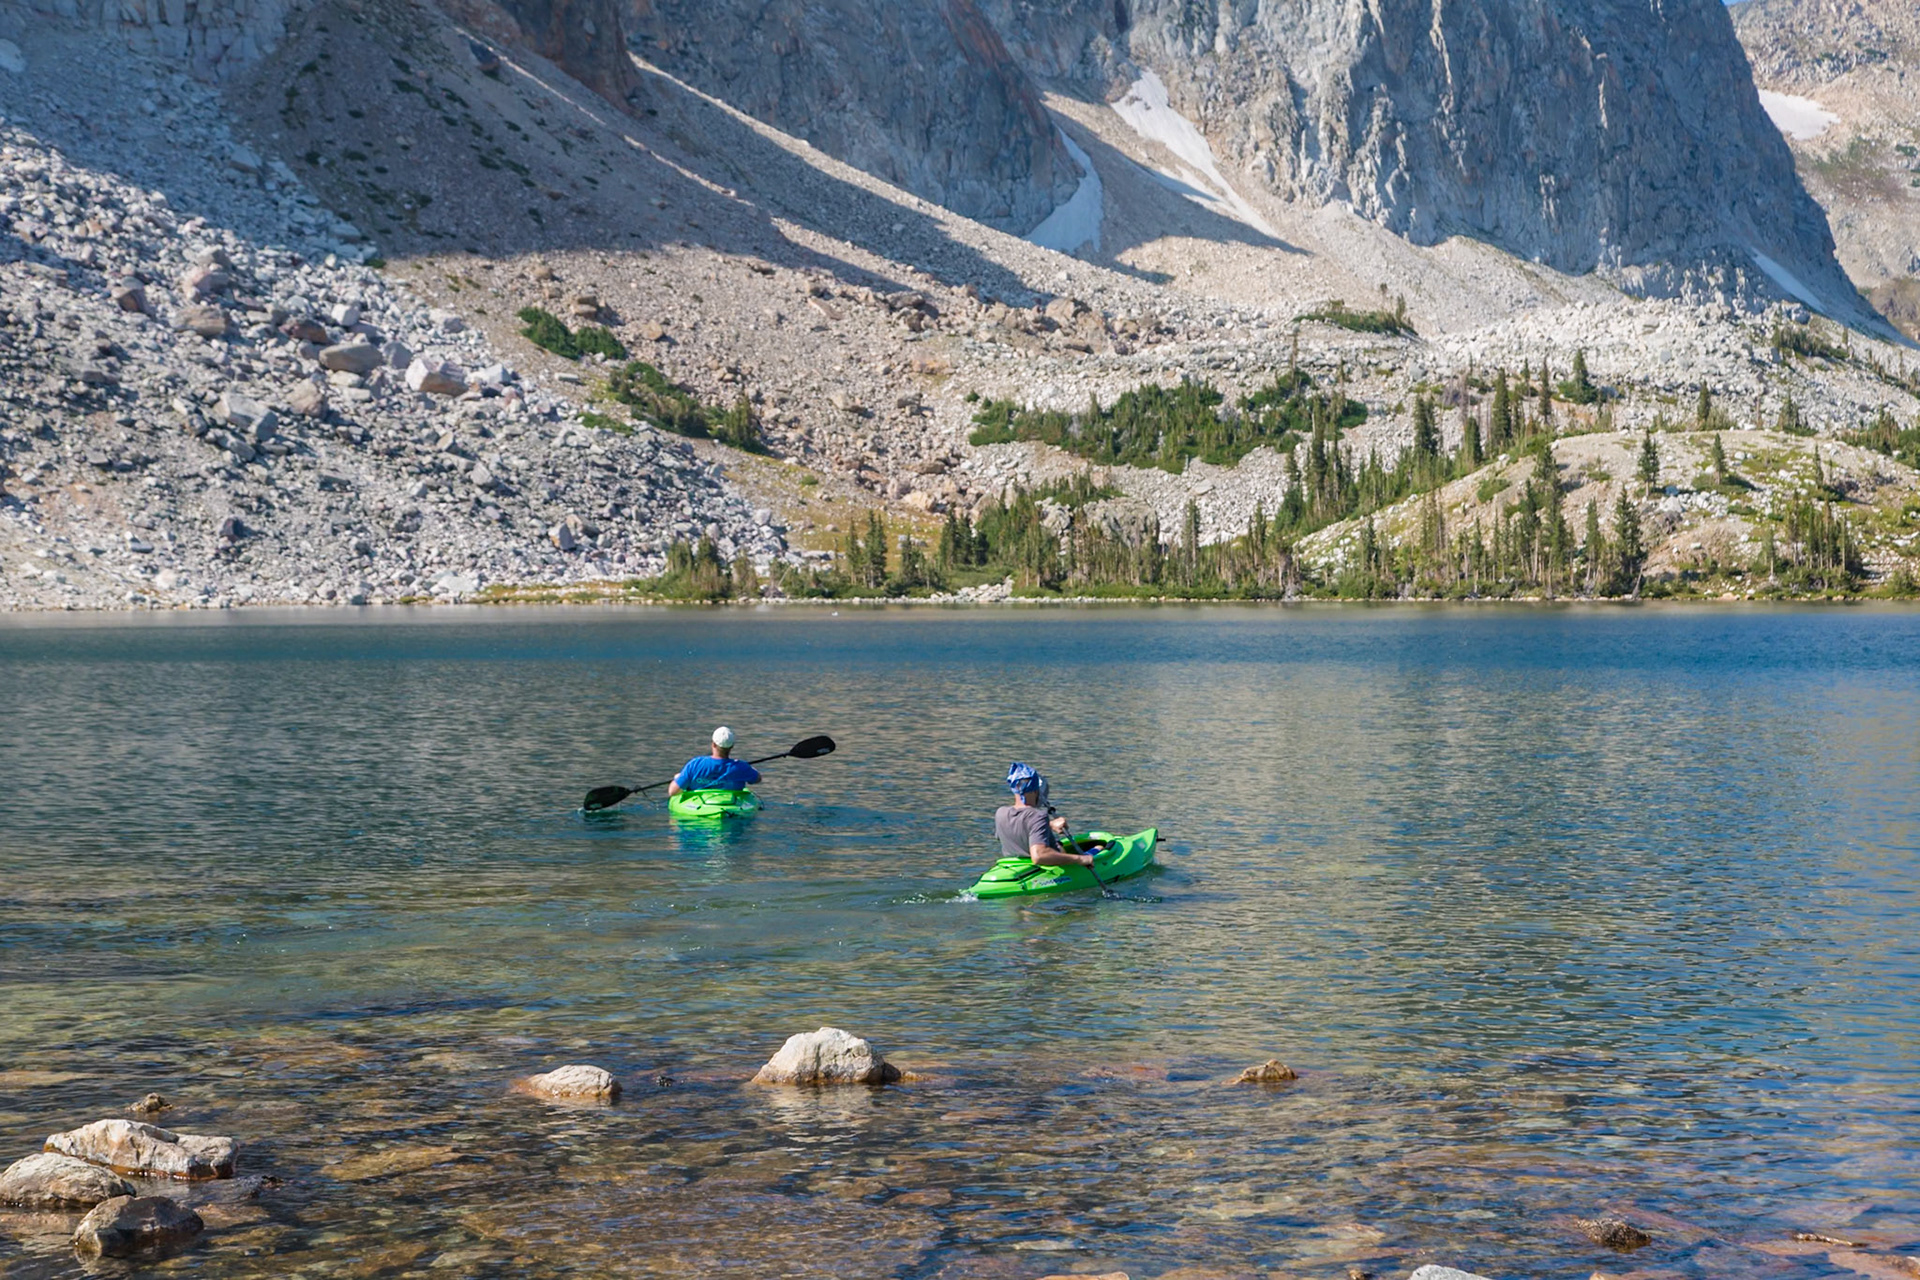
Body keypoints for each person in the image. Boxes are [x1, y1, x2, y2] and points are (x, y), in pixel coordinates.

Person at [995, 762, 1095, 868]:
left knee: (1058, 845)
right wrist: (1080, 859)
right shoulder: (1038, 815)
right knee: (1099, 848)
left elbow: (1017, 829)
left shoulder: (1001, 812)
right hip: (1043, 871)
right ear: (1035, 790)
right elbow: (1039, 856)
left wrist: (1049, 825)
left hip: (1012, 866)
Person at [667, 727, 762, 796]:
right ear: (732, 746)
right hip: (731, 806)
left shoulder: (695, 764)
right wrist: (749, 768)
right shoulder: (741, 767)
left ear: (713, 744)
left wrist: (678, 778)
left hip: (700, 807)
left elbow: (673, 792)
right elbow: (758, 779)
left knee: (678, 777)